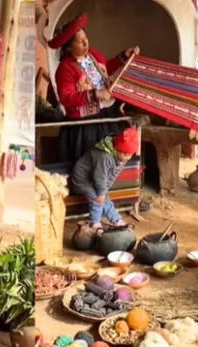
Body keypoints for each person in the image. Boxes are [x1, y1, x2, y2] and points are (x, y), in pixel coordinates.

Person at [48, 13, 140, 164]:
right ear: (69, 48)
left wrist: (123, 56)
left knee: (115, 161)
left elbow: (107, 67)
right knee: (94, 164)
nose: (85, 44)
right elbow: (66, 98)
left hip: (108, 114)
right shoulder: (65, 68)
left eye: (86, 39)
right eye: (80, 42)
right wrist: (95, 94)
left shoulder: (92, 55)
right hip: (87, 125)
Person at [71, 127, 139, 232]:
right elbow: (100, 176)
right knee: (97, 200)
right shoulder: (104, 157)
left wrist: (104, 191)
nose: (127, 158)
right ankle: (96, 224)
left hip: (95, 180)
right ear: (116, 148)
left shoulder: (121, 157)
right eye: (125, 154)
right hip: (82, 179)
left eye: (130, 155)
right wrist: (101, 193)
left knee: (105, 199)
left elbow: (113, 175)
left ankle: (116, 220)